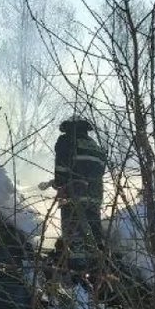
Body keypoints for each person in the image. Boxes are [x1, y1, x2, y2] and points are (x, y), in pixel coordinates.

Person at [46, 116, 108, 285]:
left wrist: (60, 183)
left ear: (69, 128)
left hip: (73, 196)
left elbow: (61, 167)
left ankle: (77, 277)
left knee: (74, 235)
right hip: (94, 198)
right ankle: (97, 272)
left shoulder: (66, 141)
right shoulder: (95, 146)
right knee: (93, 233)